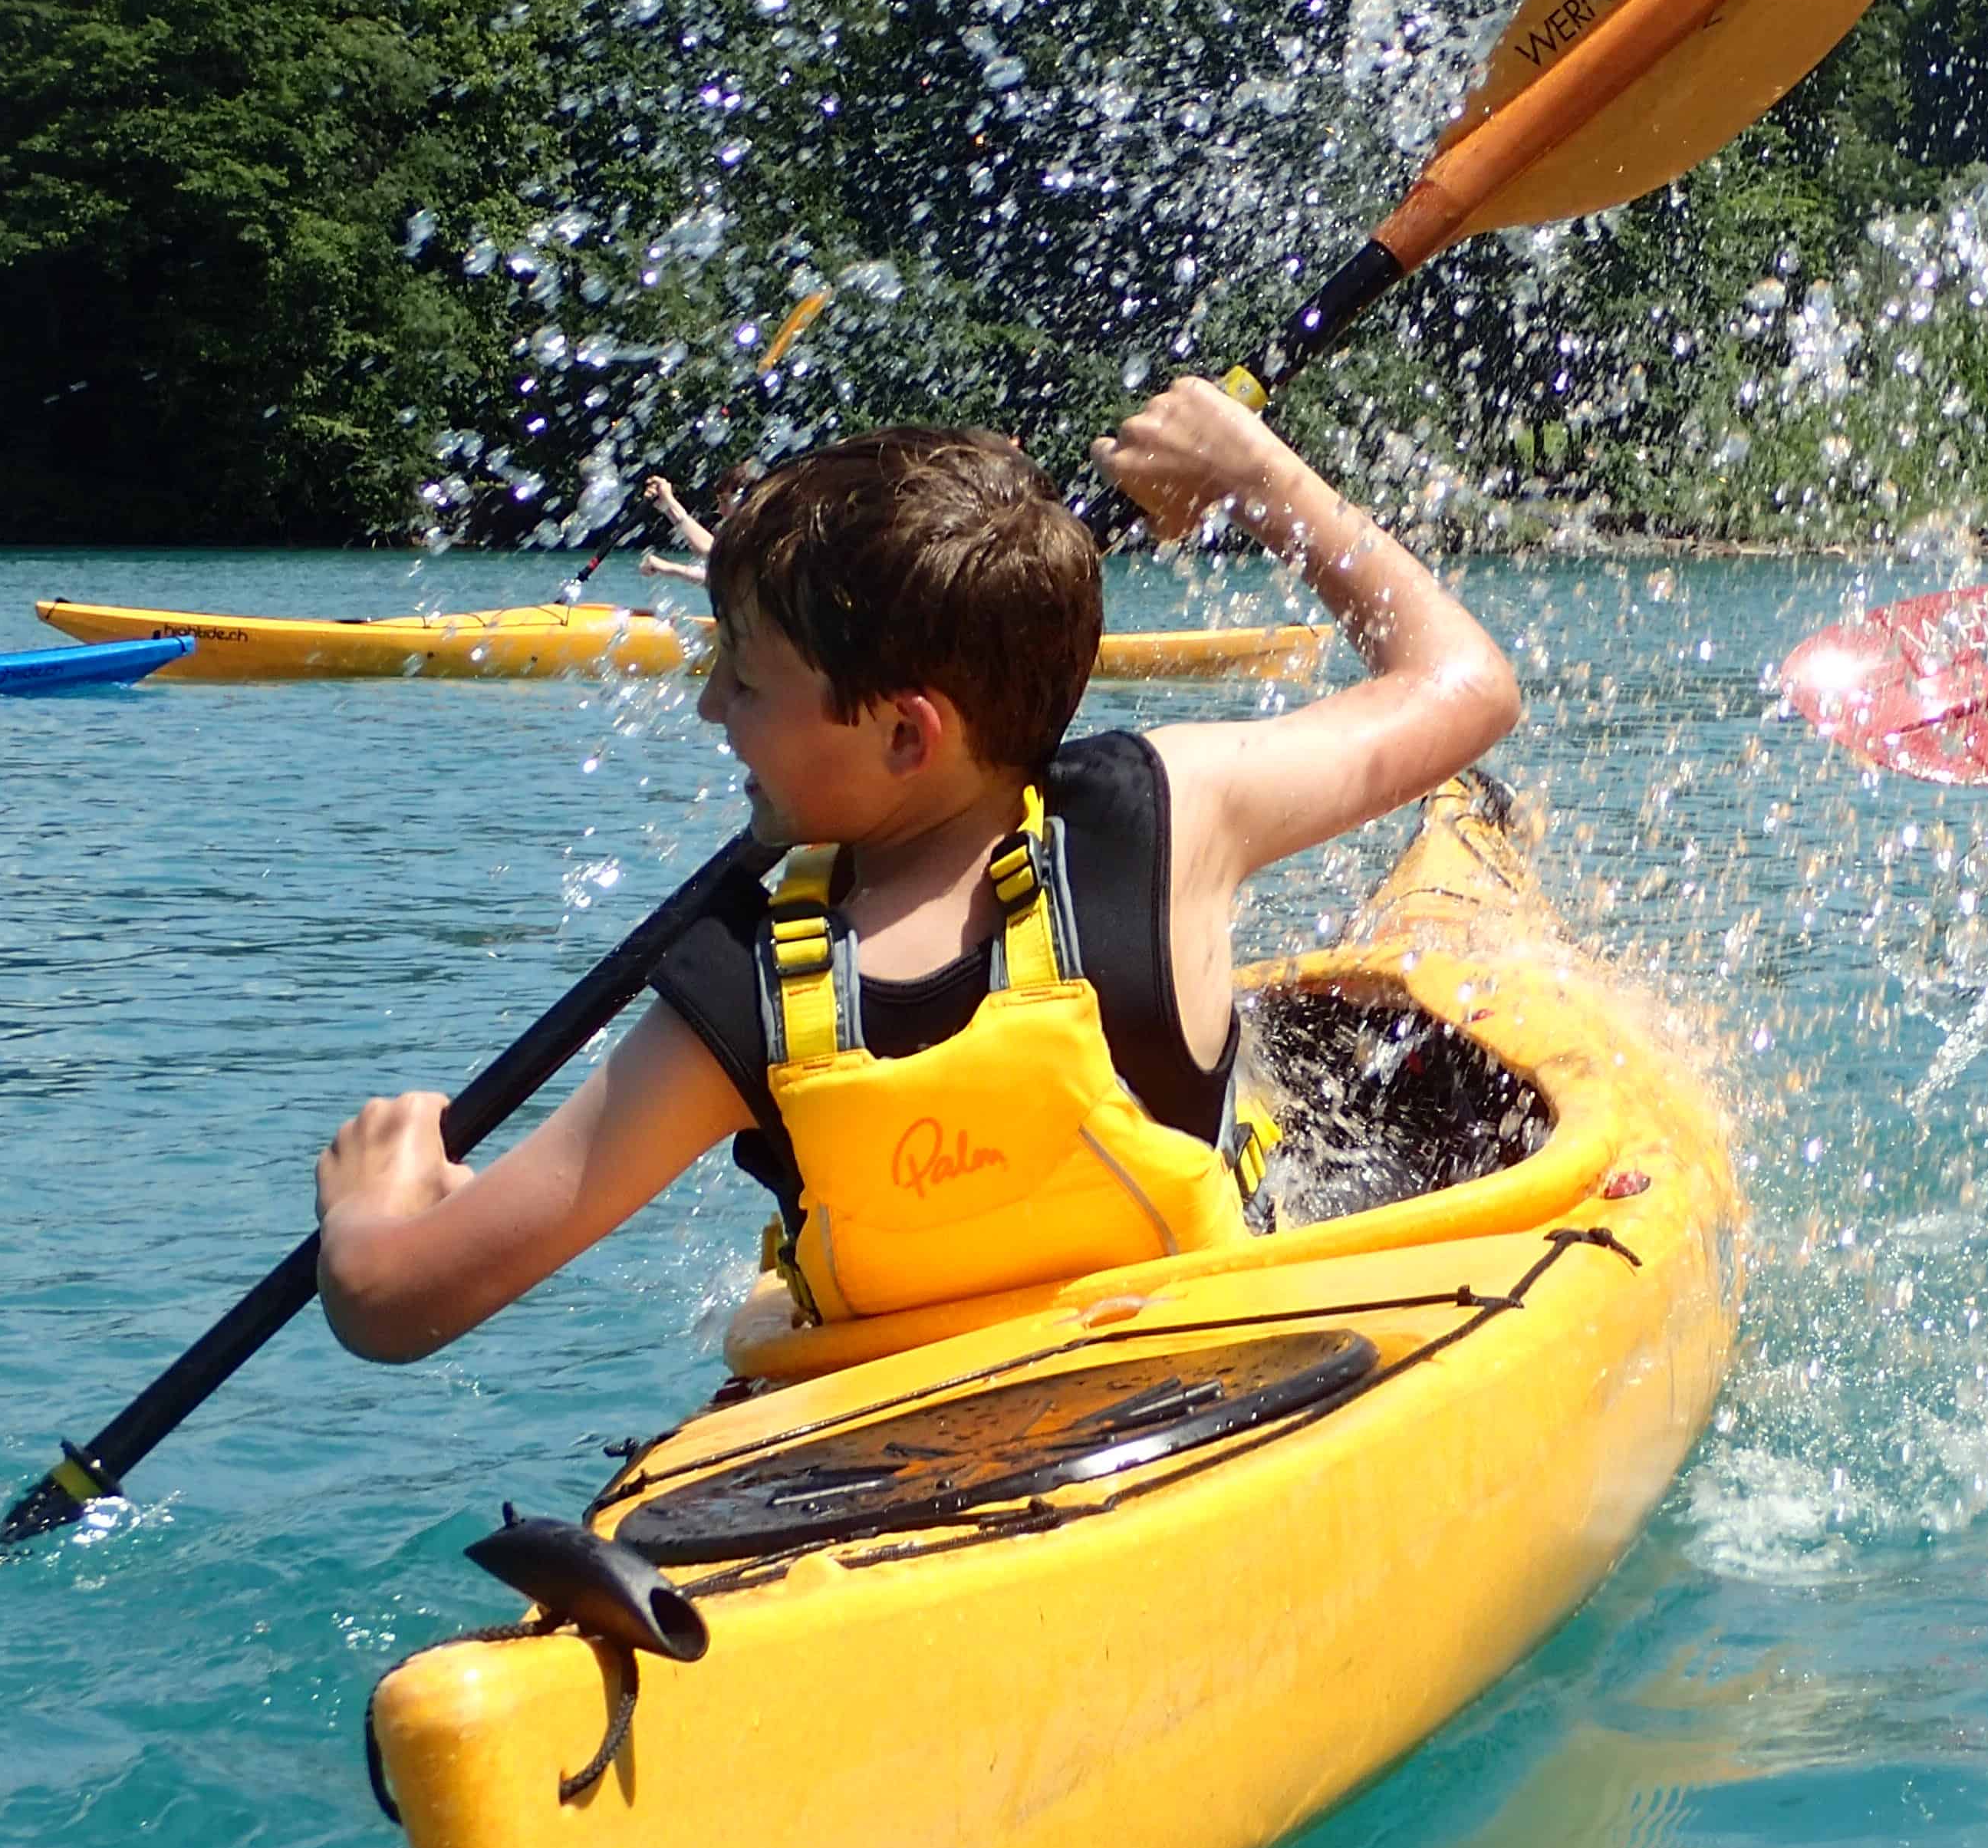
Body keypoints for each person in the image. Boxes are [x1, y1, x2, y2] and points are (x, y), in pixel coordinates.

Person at [314, 380, 1519, 1360]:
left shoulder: (740, 987)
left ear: (905, 736)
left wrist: (373, 1201)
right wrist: (1261, 477)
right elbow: (1464, 684)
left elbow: (395, 1303)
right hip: (1211, 1385)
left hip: (900, 1453)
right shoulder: (1170, 811)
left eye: (743, 673)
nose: (707, 709)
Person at [636, 459, 758, 585]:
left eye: (725, 501)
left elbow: (714, 554)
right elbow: (720, 578)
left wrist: (670, 503)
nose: (720, 511)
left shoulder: (765, 537)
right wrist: (667, 506)